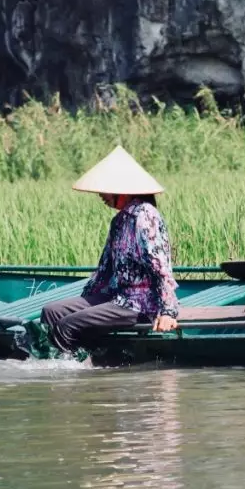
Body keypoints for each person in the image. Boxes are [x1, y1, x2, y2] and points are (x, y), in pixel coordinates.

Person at [39, 145, 179, 354]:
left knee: (67, 326)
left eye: (104, 189)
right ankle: (68, 356)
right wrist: (86, 303)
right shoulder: (120, 221)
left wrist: (168, 311)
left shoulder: (144, 216)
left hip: (141, 304)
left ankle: (66, 372)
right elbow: (104, 270)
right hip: (117, 296)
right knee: (51, 313)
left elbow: (160, 268)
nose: (100, 195)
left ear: (121, 190)